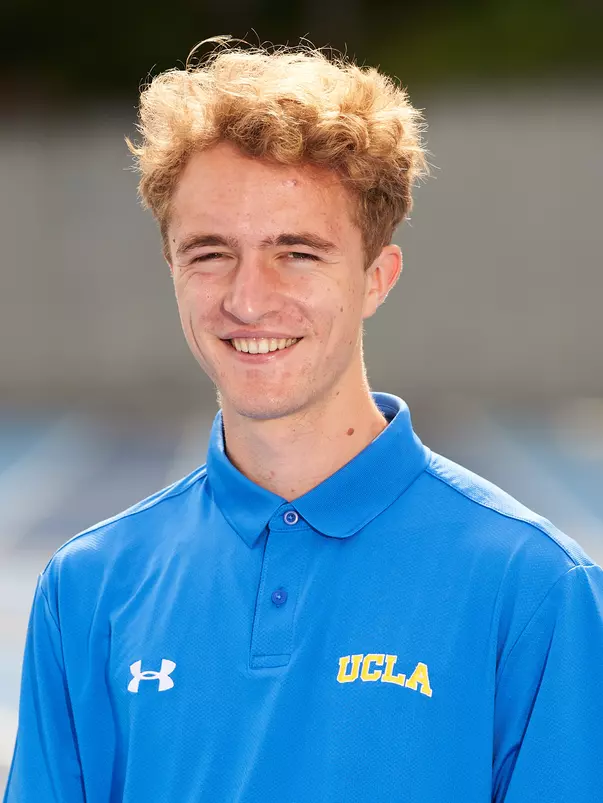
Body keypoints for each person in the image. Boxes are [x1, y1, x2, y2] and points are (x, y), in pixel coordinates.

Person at [4, 38, 603, 803]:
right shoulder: (87, 588)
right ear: (172, 270)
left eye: (297, 252)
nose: (248, 299)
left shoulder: (535, 590)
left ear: (375, 278)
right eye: (210, 252)